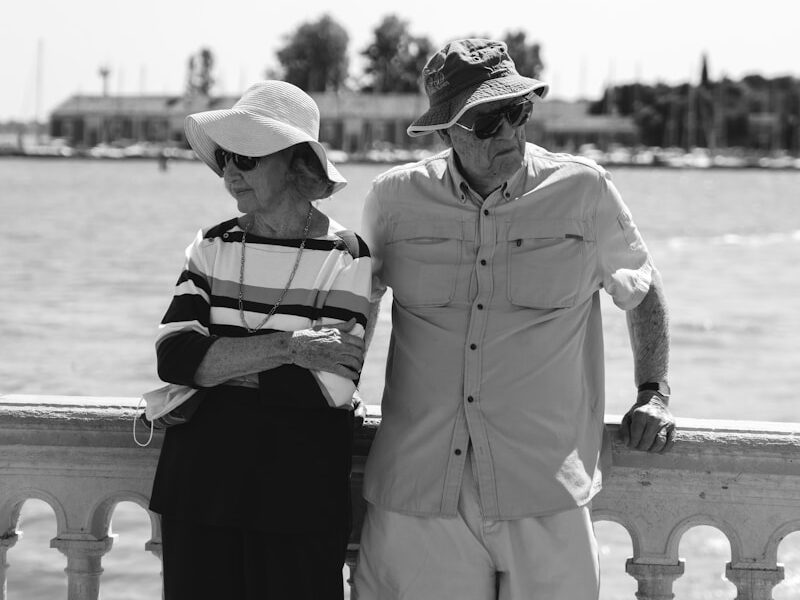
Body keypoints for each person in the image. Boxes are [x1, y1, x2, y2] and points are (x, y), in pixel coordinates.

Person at [354, 39, 675, 600]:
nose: (507, 131)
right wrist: (342, 387)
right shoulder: (393, 200)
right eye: (486, 121)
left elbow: (641, 288)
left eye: (517, 111)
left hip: (546, 492)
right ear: (446, 132)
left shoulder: (584, 189)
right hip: (418, 493)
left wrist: (654, 392)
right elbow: (358, 302)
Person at [148, 80, 372, 600]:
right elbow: (174, 357)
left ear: (296, 163)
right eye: (226, 157)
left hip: (298, 504)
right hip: (198, 494)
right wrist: (290, 348)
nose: (230, 172)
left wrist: (217, 368)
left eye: (245, 158)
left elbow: (329, 388)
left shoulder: (346, 254)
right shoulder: (211, 245)